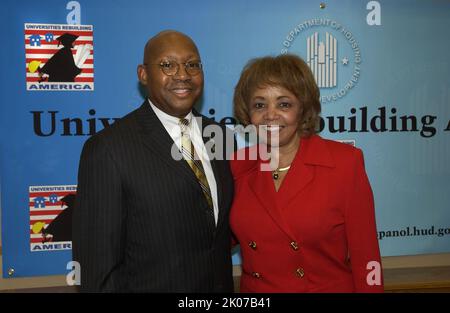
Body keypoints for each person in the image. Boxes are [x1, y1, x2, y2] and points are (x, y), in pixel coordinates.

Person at [72, 30, 234, 292]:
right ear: (143, 74)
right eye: (167, 65)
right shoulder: (108, 149)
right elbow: (95, 269)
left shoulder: (219, 136)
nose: (182, 74)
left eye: (192, 65)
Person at [230, 54, 383, 292]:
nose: (271, 115)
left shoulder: (345, 163)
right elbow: (216, 240)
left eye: (284, 104)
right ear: (248, 113)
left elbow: (367, 256)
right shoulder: (238, 165)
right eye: (260, 105)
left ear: (303, 108)